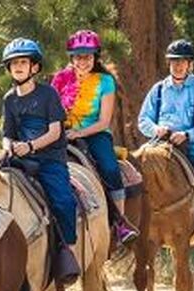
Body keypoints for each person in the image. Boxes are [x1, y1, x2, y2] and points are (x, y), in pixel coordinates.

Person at [0, 37, 80, 284]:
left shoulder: (48, 94)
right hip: (20, 158)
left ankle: (68, 252)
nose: (18, 68)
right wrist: (9, 148)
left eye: (23, 63)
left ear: (34, 67)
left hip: (48, 159)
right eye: (13, 64)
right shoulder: (9, 99)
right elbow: (7, 133)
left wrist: (31, 146)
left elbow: (56, 131)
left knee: (64, 201)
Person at [51, 29, 138, 246]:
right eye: (79, 56)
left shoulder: (105, 81)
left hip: (94, 133)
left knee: (109, 168)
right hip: (60, 134)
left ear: (95, 57)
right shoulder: (60, 79)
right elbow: (51, 110)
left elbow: (104, 121)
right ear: (71, 58)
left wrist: (79, 133)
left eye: (88, 56)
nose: (83, 61)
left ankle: (120, 223)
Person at [137, 39, 194, 233]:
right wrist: (156, 129)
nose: (177, 66)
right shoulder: (158, 89)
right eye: (174, 62)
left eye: (182, 62)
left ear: (190, 64)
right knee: (135, 163)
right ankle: (132, 214)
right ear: (169, 64)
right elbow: (143, 120)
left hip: (191, 143)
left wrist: (187, 134)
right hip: (160, 142)